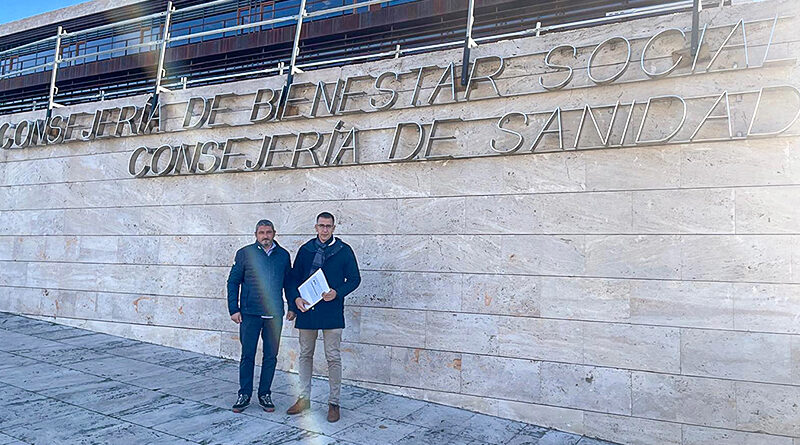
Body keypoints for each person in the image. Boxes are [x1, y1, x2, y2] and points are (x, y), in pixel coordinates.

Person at [286, 212, 361, 423]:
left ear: (334, 228)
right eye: (321, 226)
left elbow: (355, 279)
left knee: (333, 357)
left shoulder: (344, 251)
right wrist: (295, 300)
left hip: (332, 310)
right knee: (305, 355)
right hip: (308, 310)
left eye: (328, 226)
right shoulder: (306, 250)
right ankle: (304, 398)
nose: (325, 230)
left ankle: (334, 402)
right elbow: (292, 279)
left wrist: (337, 292)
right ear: (316, 227)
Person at [227, 219, 297, 413]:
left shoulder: (283, 255)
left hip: (274, 314)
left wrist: (292, 306)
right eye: (261, 233)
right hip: (250, 313)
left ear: (274, 233)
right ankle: (244, 394)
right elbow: (233, 282)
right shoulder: (244, 254)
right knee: (247, 355)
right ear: (256, 235)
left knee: (271, 356)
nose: (265, 236)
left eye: (268, 232)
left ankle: (265, 393)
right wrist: (234, 308)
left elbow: (289, 283)